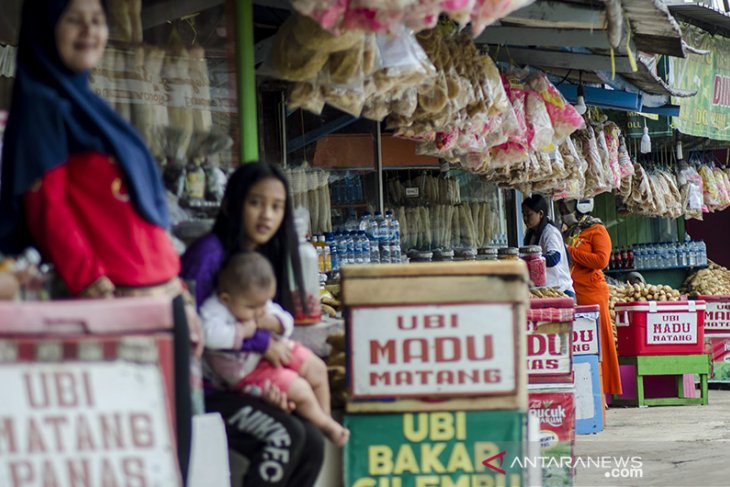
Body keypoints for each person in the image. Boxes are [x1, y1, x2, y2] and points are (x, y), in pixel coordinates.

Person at [0, 0, 202, 478]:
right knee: (138, 457)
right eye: (73, 17)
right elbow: (43, 202)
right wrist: (90, 281)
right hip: (118, 307)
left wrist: (171, 285)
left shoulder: (85, 102)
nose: (89, 29)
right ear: (47, 29)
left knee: (166, 456)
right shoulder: (47, 104)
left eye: (97, 19)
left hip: (156, 300)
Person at [181, 161, 325, 486]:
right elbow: (195, 330)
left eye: (277, 206)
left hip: (238, 380)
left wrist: (269, 383)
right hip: (201, 388)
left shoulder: (255, 258)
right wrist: (261, 345)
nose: (267, 216)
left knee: (312, 441)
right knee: (283, 436)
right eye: (256, 202)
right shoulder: (208, 255)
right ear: (232, 204)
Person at [201, 252, 349, 447]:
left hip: (273, 351)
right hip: (246, 370)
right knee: (300, 389)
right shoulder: (214, 311)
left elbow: (285, 320)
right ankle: (326, 426)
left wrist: (275, 322)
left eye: (264, 304)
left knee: (318, 368)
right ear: (225, 299)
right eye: (252, 308)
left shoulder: (258, 304)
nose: (260, 312)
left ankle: (325, 416)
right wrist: (242, 330)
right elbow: (209, 336)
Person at [560, 198, 622, 396]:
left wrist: (571, 252)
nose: (565, 216)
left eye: (567, 212)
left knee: (599, 340)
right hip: (574, 289)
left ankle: (604, 390)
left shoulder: (597, 230)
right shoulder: (573, 232)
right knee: (583, 342)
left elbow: (601, 261)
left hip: (592, 291)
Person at [522, 194, 575, 297]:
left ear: (540, 214)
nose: (525, 218)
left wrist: (530, 260)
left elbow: (554, 257)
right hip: (545, 291)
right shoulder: (532, 234)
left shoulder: (550, 232)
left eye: (529, 215)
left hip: (561, 291)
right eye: (523, 214)